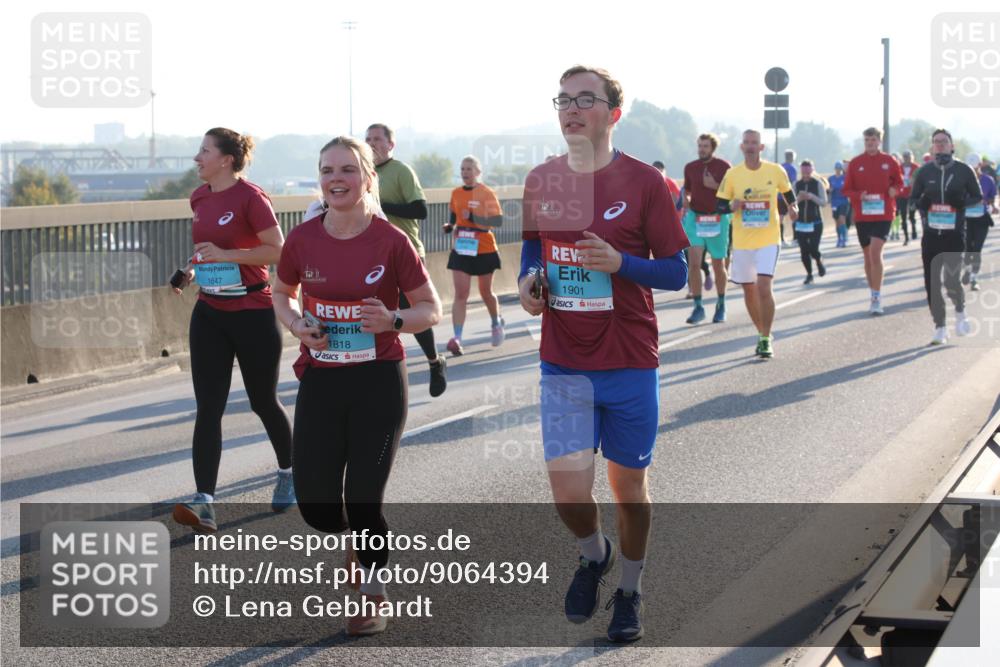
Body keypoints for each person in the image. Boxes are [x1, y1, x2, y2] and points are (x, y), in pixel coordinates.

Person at [519, 65, 688, 643]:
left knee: (629, 490)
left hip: (630, 361)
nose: (570, 108)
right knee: (568, 495)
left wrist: (621, 264)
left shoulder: (644, 183)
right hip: (564, 360)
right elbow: (531, 252)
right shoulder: (541, 180)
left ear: (613, 113)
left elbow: (676, 272)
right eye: (562, 99)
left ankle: (631, 592)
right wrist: (529, 283)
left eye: (584, 99)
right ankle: (595, 555)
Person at [273, 136, 442, 635]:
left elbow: (428, 309)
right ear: (319, 180)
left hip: (378, 382)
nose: (336, 179)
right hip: (322, 379)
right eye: (327, 170)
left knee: (365, 498)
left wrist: (392, 318)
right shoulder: (302, 239)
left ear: (368, 178)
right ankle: (352, 540)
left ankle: (372, 591)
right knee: (318, 508)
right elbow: (281, 293)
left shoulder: (391, 241)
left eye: (348, 169)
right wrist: (296, 323)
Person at [171, 128, 295, 534]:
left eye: (203, 151)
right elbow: (208, 247)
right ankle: (205, 501)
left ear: (225, 159)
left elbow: (278, 251)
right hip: (210, 311)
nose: (197, 158)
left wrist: (229, 255)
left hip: (252, 312)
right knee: (209, 407)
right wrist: (191, 270)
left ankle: (289, 471)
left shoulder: (251, 198)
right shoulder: (199, 197)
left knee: (263, 402)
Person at [366, 123, 448, 397]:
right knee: (374, 313)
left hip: (406, 251)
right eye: (367, 139)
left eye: (377, 139)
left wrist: (378, 206)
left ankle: (434, 362)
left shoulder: (401, 171)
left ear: (391, 144)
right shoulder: (362, 173)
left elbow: (420, 209)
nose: (371, 144)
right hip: (371, 256)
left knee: (407, 311)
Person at [716, 130, 798, 358]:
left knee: (763, 286)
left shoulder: (775, 170)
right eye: (747, 143)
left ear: (761, 147)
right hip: (742, 242)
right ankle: (761, 331)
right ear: (742, 147)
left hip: (769, 239)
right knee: (749, 290)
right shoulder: (733, 175)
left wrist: (793, 208)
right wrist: (732, 206)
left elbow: (788, 193)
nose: (751, 146)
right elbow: (719, 205)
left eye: (755, 143)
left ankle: (765, 337)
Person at [909, 129, 983, 345]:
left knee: (951, 280)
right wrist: (920, 203)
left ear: (952, 145)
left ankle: (960, 312)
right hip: (931, 235)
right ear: (932, 147)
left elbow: (977, 197)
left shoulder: (963, 170)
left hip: (954, 234)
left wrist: (962, 203)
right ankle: (940, 327)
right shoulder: (924, 172)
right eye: (936, 142)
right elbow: (913, 200)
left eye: (943, 141)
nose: (940, 145)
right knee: (931, 283)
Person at [443, 155, 505, 355]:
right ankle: (457, 338)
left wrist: (475, 217)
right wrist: (450, 225)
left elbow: (497, 221)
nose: (465, 173)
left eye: (469, 169)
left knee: (485, 292)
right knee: (461, 294)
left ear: (478, 172)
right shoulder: (456, 193)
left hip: (484, 247)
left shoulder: (486, 193)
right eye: (462, 169)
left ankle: (496, 323)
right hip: (462, 246)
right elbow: (454, 215)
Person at [843, 127, 903, 315]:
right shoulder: (856, 163)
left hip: (884, 213)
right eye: (867, 140)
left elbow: (900, 183)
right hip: (863, 215)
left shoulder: (889, 161)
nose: (870, 143)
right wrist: (858, 195)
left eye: (873, 140)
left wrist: (895, 190)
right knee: (868, 256)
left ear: (879, 141)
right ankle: (873, 291)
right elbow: (846, 190)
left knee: (876, 252)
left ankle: (876, 297)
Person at [681, 133, 732, 323]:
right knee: (693, 263)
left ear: (713, 148)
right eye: (700, 146)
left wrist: (715, 185)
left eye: (705, 146)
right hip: (695, 218)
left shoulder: (724, 167)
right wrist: (686, 199)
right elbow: (687, 190)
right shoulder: (690, 167)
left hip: (717, 218)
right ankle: (698, 307)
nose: (702, 149)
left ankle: (721, 304)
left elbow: (731, 193)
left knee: (718, 265)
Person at [656, 159, 709, 297]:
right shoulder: (651, 182)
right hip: (662, 225)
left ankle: (699, 280)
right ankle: (687, 286)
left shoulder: (671, 183)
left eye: (660, 170)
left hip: (680, 224)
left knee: (690, 257)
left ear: (664, 171)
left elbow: (677, 204)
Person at [963, 153, 998, 292]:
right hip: (965, 219)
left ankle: (974, 278)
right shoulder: (962, 181)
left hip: (982, 219)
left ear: (979, 166)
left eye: (974, 167)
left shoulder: (988, 180)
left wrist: (993, 205)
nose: (972, 170)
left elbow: (991, 197)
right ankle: (967, 270)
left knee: (977, 249)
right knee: (967, 249)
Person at [794, 160, 827, 284]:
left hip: (816, 222)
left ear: (812, 171)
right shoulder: (796, 184)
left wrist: (812, 197)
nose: (806, 174)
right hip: (801, 223)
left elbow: (824, 202)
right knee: (804, 251)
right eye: (803, 171)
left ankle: (819, 262)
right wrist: (799, 198)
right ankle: (809, 274)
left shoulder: (818, 184)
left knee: (813, 248)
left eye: (808, 171)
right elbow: (791, 204)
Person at [898, 150, 920, 245]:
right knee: (903, 216)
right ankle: (906, 237)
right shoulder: (899, 168)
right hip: (901, 195)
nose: (908, 159)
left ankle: (914, 230)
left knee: (911, 215)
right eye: (906, 157)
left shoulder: (917, 167)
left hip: (912, 195)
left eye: (909, 157)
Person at [828, 161, 851, 247]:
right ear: (835, 169)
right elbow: (827, 189)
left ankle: (844, 238)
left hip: (844, 201)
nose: (838, 170)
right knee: (837, 221)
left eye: (840, 169)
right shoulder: (831, 178)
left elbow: (849, 188)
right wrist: (829, 190)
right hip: (834, 202)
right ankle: (839, 238)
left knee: (842, 219)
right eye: (837, 169)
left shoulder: (845, 178)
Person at [779, 150, 798, 247]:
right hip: (788, 196)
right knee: (794, 216)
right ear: (792, 157)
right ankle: (795, 239)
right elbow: (793, 184)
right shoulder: (792, 168)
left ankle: (781, 240)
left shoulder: (780, 167)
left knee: (780, 218)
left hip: (778, 196)